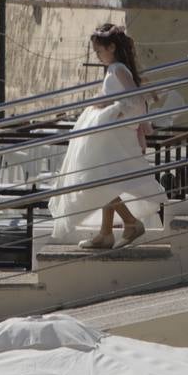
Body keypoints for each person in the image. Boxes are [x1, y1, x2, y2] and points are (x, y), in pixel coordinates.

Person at [49, 24, 165, 249]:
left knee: (98, 179)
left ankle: (130, 223)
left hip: (112, 134)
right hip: (108, 133)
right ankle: (106, 233)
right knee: (103, 178)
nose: (97, 56)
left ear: (111, 47)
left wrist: (112, 109)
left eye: (99, 51)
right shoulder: (116, 69)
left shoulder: (118, 69)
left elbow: (135, 100)